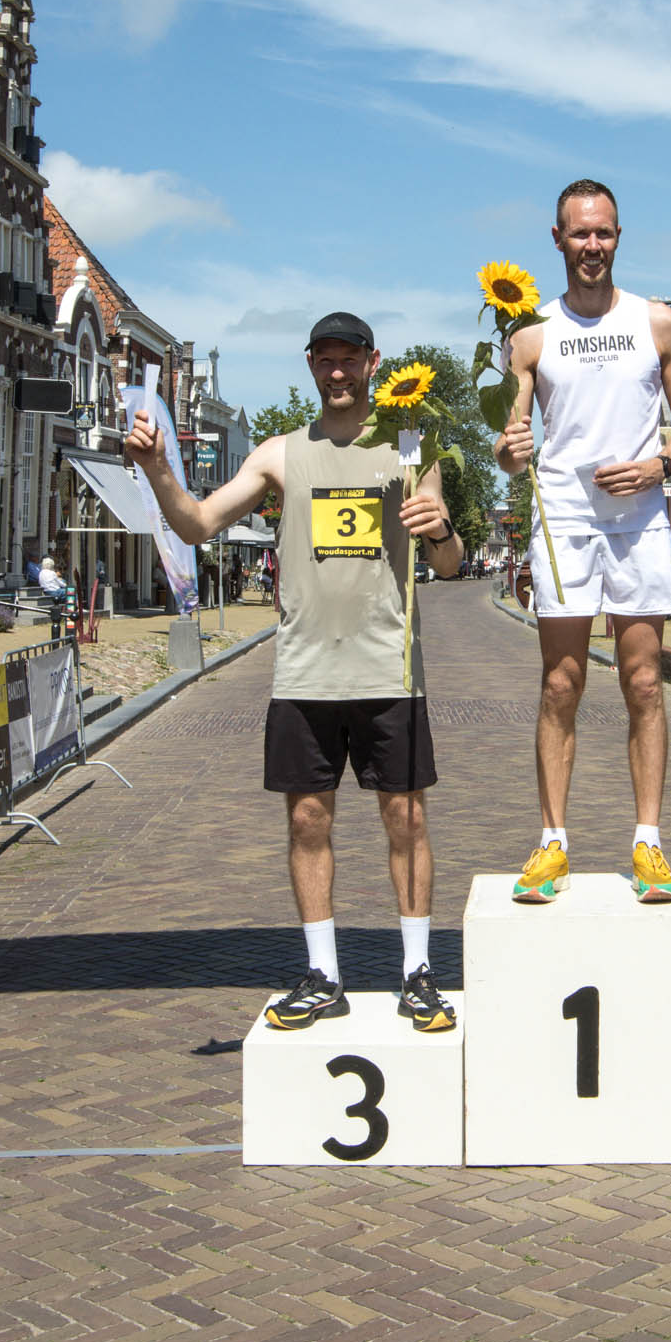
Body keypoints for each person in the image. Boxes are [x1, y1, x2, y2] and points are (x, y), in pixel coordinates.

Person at [125, 311, 464, 1033]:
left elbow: (448, 564)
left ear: (374, 363)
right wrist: (157, 469)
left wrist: (440, 527)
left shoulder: (410, 445)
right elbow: (196, 525)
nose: (338, 371)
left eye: (350, 359)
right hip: (305, 675)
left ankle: (417, 972)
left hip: (390, 672)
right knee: (308, 821)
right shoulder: (279, 453)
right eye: (325, 359)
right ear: (311, 365)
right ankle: (322, 974)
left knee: (405, 820)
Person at [496, 178, 671, 905]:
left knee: (643, 681)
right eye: (580, 233)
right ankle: (552, 842)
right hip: (563, 517)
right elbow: (509, 443)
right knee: (561, 683)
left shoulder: (658, 322)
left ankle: (649, 842)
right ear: (557, 239)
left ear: (618, 237)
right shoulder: (529, 334)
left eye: (604, 232)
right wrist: (509, 451)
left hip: (639, 516)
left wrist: (659, 466)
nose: (593, 245)